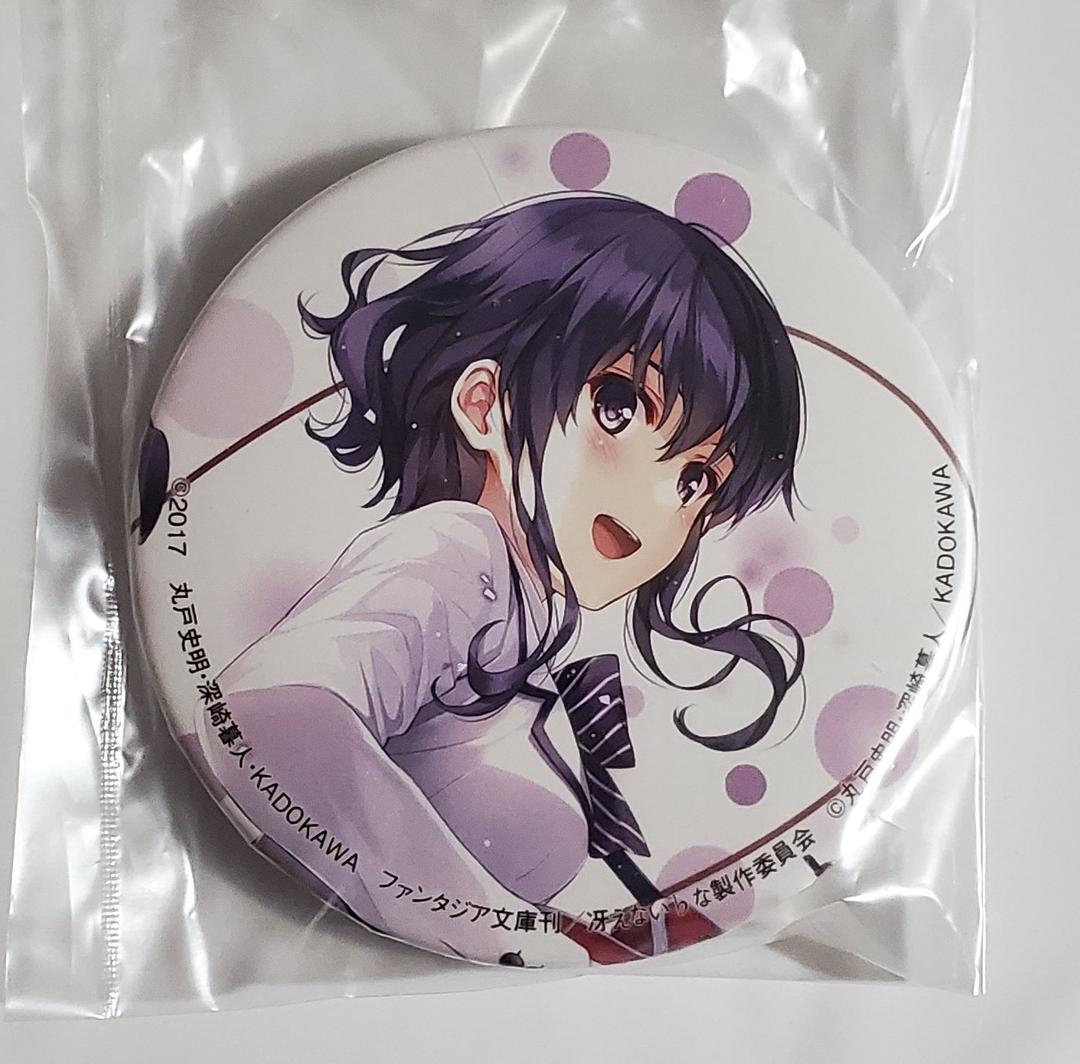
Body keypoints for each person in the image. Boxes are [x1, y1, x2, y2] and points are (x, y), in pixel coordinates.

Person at [197, 193, 805, 965]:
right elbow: (265, 716)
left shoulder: (528, 608)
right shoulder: (455, 551)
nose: (659, 500)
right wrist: (493, 929)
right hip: (309, 949)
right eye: (619, 406)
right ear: (483, 404)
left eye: (696, 481)